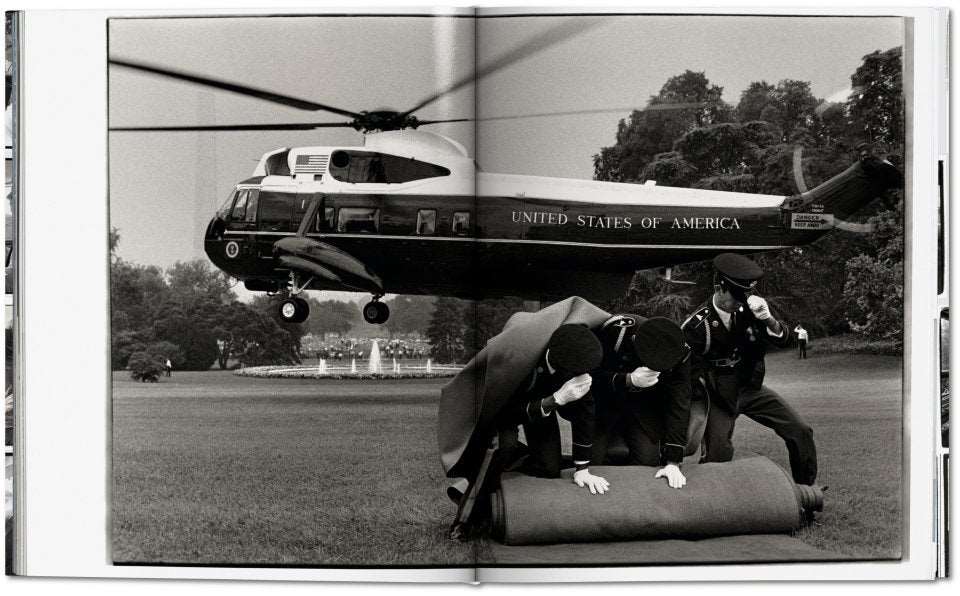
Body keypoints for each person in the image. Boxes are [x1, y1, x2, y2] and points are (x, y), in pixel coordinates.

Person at [681, 253, 818, 486]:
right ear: (719, 287)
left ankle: (806, 493)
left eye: (744, 297)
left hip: (750, 387)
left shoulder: (750, 310)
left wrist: (768, 320)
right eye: (735, 297)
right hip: (718, 395)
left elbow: (785, 340)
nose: (739, 303)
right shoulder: (696, 325)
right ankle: (713, 503)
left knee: (800, 430)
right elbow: (686, 369)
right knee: (718, 454)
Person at [496, 323, 609, 494]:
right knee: (506, 448)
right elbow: (506, 411)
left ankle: (530, 457)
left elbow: (585, 416)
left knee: (549, 469)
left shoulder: (578, 365)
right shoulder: (521, 361)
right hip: (507, 408)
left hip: (542, 409)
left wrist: (582, 470)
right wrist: (556, 399)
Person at [591, 315, 692, 489]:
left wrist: (673, 462)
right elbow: (589, 377)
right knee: (592, 464)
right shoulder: (616, 332)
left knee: (648, 464)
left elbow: (679, 404)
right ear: (635, 340)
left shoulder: (680, 352)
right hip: (605, 405)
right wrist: (626, 380)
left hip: (644, 408)